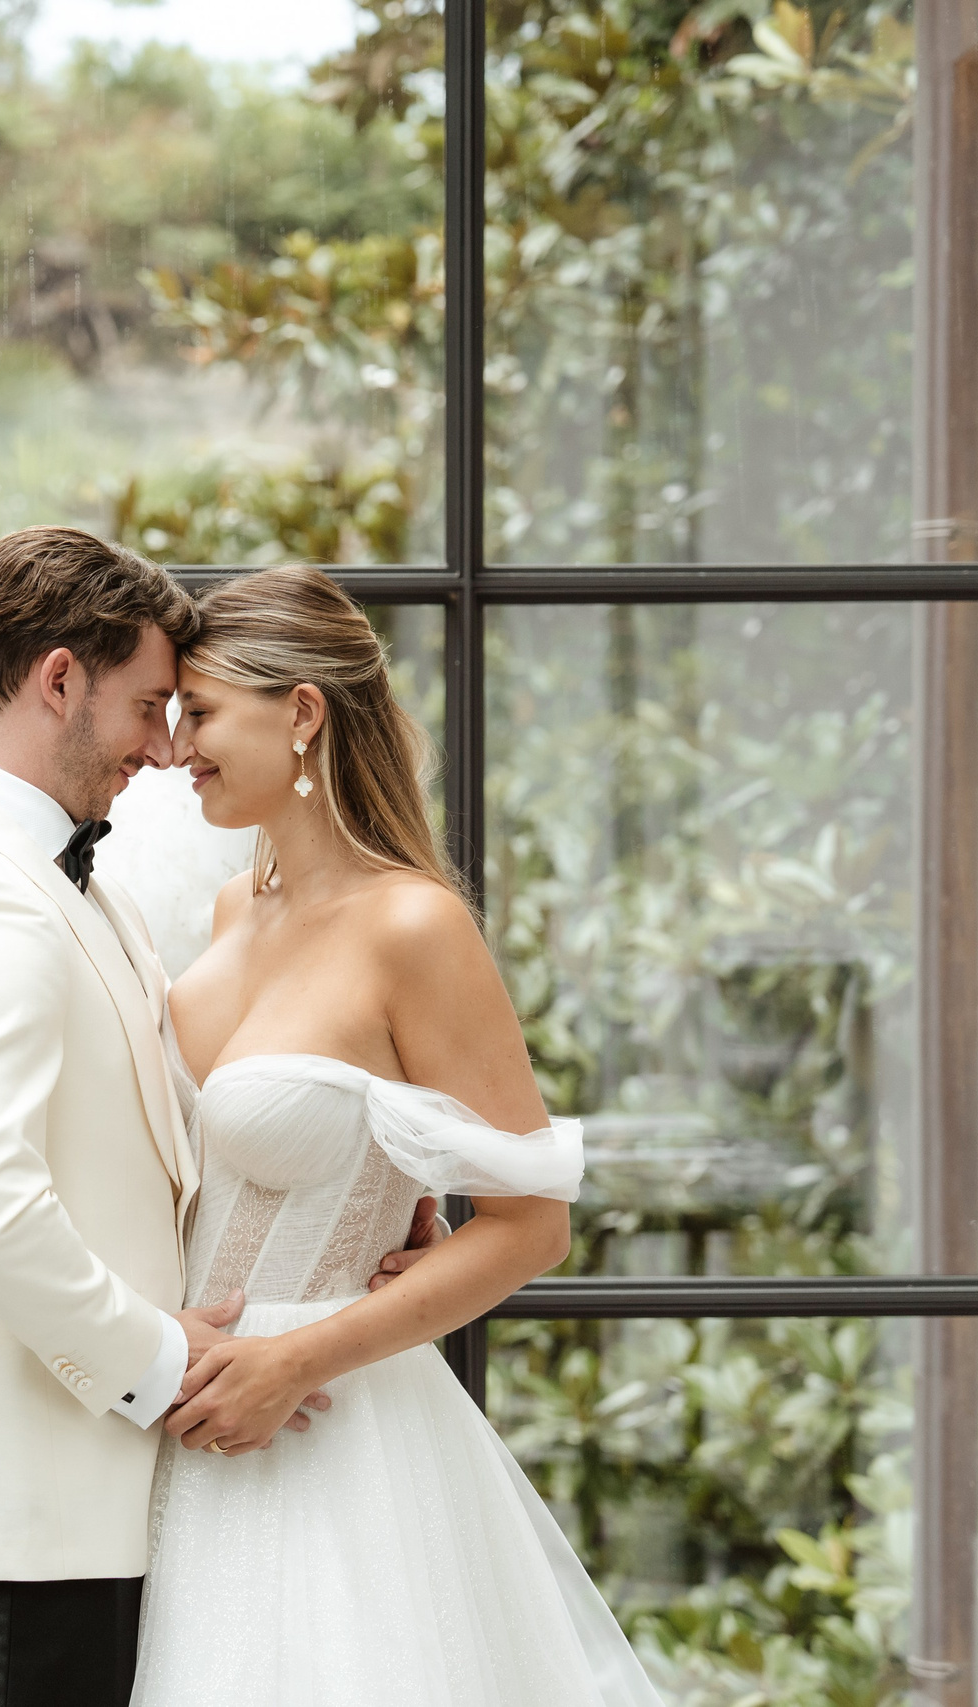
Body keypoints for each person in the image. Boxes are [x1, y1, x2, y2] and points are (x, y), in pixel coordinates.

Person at [0, 529, 438, 1707]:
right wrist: (164, 1366)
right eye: (147, 706)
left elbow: (153, 1138)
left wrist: (363, 1195)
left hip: (109, 1500)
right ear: (57, 680)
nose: (164, 748)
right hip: (26, 1514)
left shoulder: (80, 887)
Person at [128, 564, 663, 1707]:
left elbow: (530, 1226)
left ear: (301, 712)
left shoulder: (415, 926)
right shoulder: (231, 909)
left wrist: (293, 1361)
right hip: (184, 1415)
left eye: (200, 713)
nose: (175, 749)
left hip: (325, 1433)